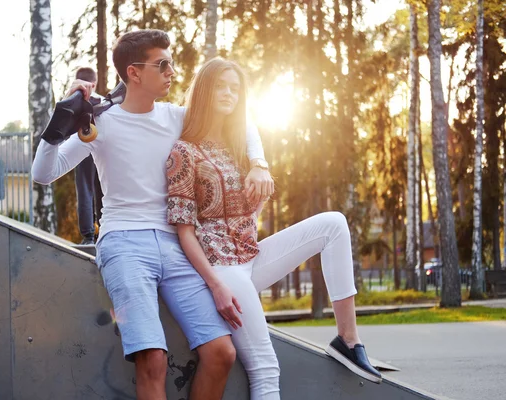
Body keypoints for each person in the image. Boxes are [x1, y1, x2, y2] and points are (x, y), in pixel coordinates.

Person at [31, 30, 274, 400]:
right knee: (153, 360)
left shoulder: (177, 118)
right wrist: (59, 121)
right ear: (134, 73)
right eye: (163, 64)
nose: (172, 71)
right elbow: (42, 174)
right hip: (124, 245)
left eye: (171, 63)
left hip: (177, 246)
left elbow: (240, 121)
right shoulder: (101, 122)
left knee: (221, 353)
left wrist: (258, 163)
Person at [166, 58, 382, 400]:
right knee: (266, 368)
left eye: (235, 88)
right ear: (204, 90)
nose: (229, 94)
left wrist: (261, 175)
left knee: (334, 224)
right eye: (221, 86)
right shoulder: (183, 152)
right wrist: (216, 285)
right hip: (222, 269)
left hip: (251, 256)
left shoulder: (240, 150)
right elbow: (184, 232)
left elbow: (249, 216)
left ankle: (348, 340)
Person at [72, 67, 104, 245]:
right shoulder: (103, 102)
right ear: (94, 82)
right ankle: (103, 227)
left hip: (81, 148)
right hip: (100, 148)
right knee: (101, 188)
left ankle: (88, 236)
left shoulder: (73, 101)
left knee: (84, 189)